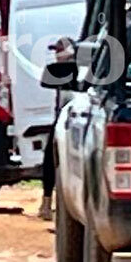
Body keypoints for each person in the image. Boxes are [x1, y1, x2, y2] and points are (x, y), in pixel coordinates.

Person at [38, 37, 75, 221]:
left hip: (73, 120)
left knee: (53, 159)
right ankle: (46, 202)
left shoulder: (77, 70)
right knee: (49, 159)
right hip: (62, 117)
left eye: (58, 51)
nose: (56, 55)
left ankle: (52, 203)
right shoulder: (61, 71)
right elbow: (46, 81)